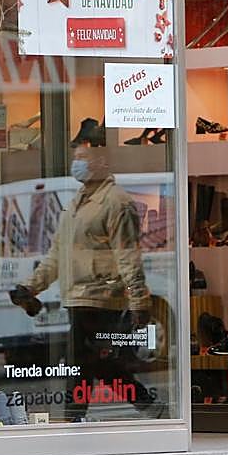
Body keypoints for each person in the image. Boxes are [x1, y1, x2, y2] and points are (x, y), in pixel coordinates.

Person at [10, 144, 161, 421]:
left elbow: (128, 256)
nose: (76, 163)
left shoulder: (116, 202)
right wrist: (31, 286)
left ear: (101, 162)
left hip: (102, 296)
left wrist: (138, 300)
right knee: (94, 363)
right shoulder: (76, 203)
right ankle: (145, 407)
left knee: (82, 362)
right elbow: (58, 254)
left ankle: (76, 415)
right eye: (75, 158)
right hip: (77, 296)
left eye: (83, 158)